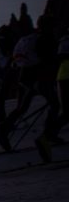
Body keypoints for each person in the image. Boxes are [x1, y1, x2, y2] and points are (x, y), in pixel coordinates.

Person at [0, 16, 60, 153]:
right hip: (39, 77)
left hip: (24, 77)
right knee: (55, 103)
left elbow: (16, 60)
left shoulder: (27, 39)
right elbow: (48, 60)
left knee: (22, 108)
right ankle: (49, 134)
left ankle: (3, 131)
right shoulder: (46, 39)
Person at [35, 27, 69, 162]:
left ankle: (45, 137)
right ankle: (46, 137)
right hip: (66, 77)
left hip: (62, 77)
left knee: (67, 113)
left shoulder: (62, 40)